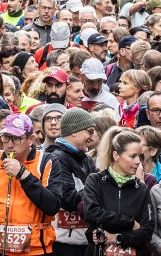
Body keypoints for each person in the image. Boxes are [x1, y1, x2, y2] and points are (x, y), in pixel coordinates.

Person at [0, 112, 61, 256]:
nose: (9, 144)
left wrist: (24, 175)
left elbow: (52, 205)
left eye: (16, 138)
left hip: (36, 250)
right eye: (6, 137)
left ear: (31, 139)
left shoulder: (47, 161)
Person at [82, 127, 154, 256]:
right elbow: (91, 213)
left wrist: (117, 237)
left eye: (140, 156)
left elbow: (146, 231)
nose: (138, 162)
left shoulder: (142, 189)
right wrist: (129, 222)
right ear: (116, 155)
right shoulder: (95, 180)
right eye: (132, 156)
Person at [47, 108, 99, 256]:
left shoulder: (86, 158)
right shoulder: (56, 157)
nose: (92, 136)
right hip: (62, 245)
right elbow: (68, 200)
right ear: (74, 130)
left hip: (84, 241)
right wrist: (95, 188)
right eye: (89, 131)